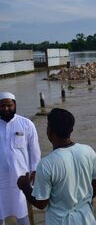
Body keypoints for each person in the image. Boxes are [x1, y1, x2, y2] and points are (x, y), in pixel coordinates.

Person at [17, 108, 96, 225]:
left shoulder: (46, 164)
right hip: (86, 217)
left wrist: (25, 187)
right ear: (71, 129)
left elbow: (41, 203)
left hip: (59, 221)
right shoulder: (88, 151)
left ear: (50, 131)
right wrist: (85, 199)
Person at [0, 92, 41, 225]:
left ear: (15, 105)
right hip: (0, 179)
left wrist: (34, 170)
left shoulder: (26, 124)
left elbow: (34, 150)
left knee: (23, 213)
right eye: (2, 106)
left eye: (9, 105)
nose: (6, 108)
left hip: (21, 178)